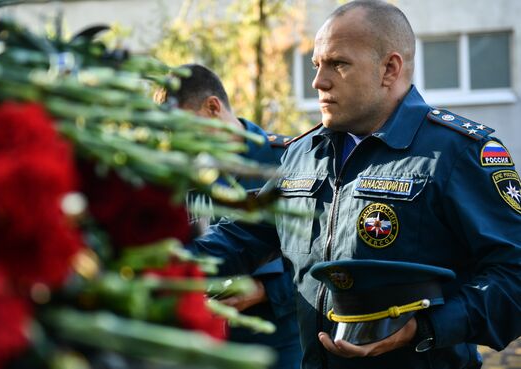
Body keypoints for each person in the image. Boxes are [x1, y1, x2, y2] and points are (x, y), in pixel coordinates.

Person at [190, 1, 521, 368]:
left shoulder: (456, 153)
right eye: (317, 65)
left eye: (338, 64)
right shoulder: (303, 153)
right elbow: (243, 235)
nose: (318, 81)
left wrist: (424, 328)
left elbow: (513, 276)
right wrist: (154, 264)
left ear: (389, 69)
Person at [157, 64, 302, 369]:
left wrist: (267, 291)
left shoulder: (290, 159)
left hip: (277, 342)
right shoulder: (184, 175)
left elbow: (319, 255)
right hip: (205, 345)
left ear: (213, 107)